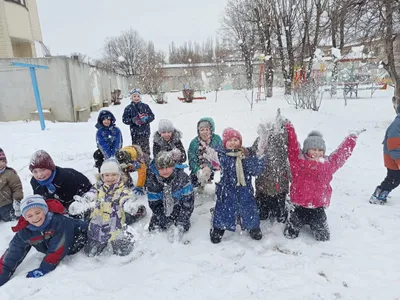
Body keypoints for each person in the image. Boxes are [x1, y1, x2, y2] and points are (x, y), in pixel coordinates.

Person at [283, 121, 362, 241]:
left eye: (320, 150)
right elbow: (293, 147)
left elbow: (341, 155)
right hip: (299, 207)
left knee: (323, 238)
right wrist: (289, 127)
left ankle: (315, 222)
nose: (317, 152)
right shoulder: (298, 162)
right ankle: (291, 212)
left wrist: (351, 139)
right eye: (313, 149)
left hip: (318, 208)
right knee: (290, 234)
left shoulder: (328, 165)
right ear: (306, 150)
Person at [0, 195, 88, 286]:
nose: (35, 218)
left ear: (45, 210)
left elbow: (59, 247)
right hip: (54, 246)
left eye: (38, 212)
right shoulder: (25, 231)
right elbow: (13, 253)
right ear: (25, 218)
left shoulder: (59, 221)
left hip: (78, 239)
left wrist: (44, 268)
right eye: (29, 215)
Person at [209, 128, 266, 243]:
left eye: (236, 140)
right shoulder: (223, 155)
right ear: (225, 143)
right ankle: (219, 228)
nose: (233, 142)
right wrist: (211, 154)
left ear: (240, 142)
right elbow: (215, 161)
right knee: (224, 209)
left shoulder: (245, 155)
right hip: (227, 190)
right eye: (229, 140)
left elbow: (256, 171)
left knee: (248, 208)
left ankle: (252, 227)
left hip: (245, 190)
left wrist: (259, 156)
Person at [84, 159, 142, 257]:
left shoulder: (122, 188)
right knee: (90, 252)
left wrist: (128, 204)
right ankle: (99, 242)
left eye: (114, 175)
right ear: (102, 176)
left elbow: (125, 197)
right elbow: (91, 194)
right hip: (98, 224)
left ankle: (138, 214)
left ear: (119, 175)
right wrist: (85, 200)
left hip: (116, 223)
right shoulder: (98, 187)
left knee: (122, 251)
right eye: (107, 175)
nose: (110, 178)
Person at [146, 151, 194, 242]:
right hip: (162, 208)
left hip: (178, 207)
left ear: (173, 166)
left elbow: (188, 202)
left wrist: (182, 220)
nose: (165, 171)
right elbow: (154, 205)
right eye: (161, 168)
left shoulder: (183, 179)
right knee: (153, 227)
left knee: (184, 224)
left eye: (168, 167)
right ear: (156, 168)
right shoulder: (152, 182)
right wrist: (166, 221)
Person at [251, 117, 291, 223]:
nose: (271, 133)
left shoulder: (284, 141)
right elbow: (253, 153)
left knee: (280, 215)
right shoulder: (261, 140)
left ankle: (281, 207)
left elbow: (292, 156)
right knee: (262, 214)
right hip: (263, 184)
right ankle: (264, 206)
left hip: (280, 183)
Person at [370, 102, 400, 204]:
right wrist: (398, 160)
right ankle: (378, 194)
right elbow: (394, 145)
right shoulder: (397, 125)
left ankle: (382, 192)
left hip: (396, 157)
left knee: (394, 178)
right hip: (393, 158)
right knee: (393, 178)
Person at [188, 117, 222, 192]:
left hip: (215, 169)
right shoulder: (194, 143)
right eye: (202, 130)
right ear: (198, 131)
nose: (204, 132)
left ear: (211, 130)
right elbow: (192, 160)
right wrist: (198, 171)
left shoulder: (217, 140)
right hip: (199, 170)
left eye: (207, 129)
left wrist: (210, 168)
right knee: (192, 185)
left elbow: (221, 156)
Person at [122, 88, 155, 157]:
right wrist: (133, 121)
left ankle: (147, 161)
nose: (136, 98)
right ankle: (138, 161)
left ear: (140, 97)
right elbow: (124, 119)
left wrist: (146, 119)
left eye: (138, 96)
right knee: (136, 149)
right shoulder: (128, 108)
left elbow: (152, 116)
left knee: (145, 148)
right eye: (134, 96)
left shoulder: (145, 106)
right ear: (131, 98)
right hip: (135, 132)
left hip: (145, 131)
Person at [0, 148, 24, 221]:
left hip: (6, 203)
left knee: (8, 217)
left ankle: (16, 214)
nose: (1, 164)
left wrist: (17, 200)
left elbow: (17, 188)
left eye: (2, 161)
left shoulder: (9, 174)